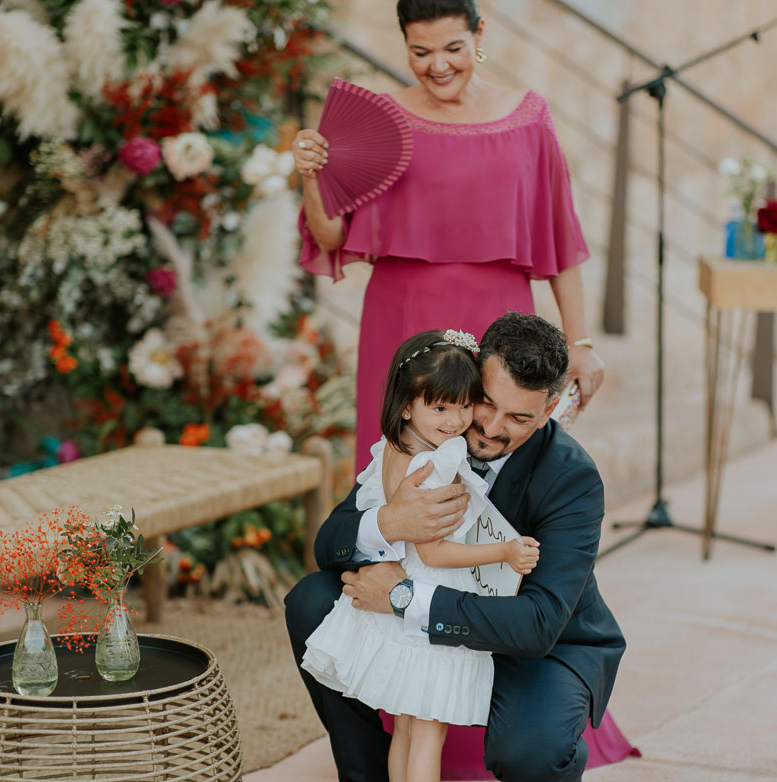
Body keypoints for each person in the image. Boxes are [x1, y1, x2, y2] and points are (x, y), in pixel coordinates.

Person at [286, 313, 627, 782]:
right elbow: (331, 544)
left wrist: (404, 599)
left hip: (534, 643)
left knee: (531, 751)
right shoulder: (434, 430)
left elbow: (538, 625)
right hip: (440, 602)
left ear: (548, 412)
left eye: (519, 417)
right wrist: (390, 521)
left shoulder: (573, 479)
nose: (489, 426)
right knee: (311, 601)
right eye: (485, 403)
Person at [293, 0, 605, 474]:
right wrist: (311, 177)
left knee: (495, 466)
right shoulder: (380, 121)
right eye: (420, 52)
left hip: (500, 321)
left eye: (453, 48)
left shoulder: (530, 117)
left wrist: (579, 343)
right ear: (404, 45)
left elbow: (560, 240)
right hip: (400, 321)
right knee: (399, 467)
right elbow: (330, 236)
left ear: (480, 34)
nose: (438, 66)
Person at [300, 328, 541, 782]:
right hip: (428, 609)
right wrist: (504, 551)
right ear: (408, 404)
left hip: (396, 605)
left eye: (464, 405)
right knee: (428, 731)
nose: (455, 421)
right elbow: (434, 553)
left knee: (408, 728)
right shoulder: (437, 464)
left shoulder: (394, 446)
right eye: (440, 407)